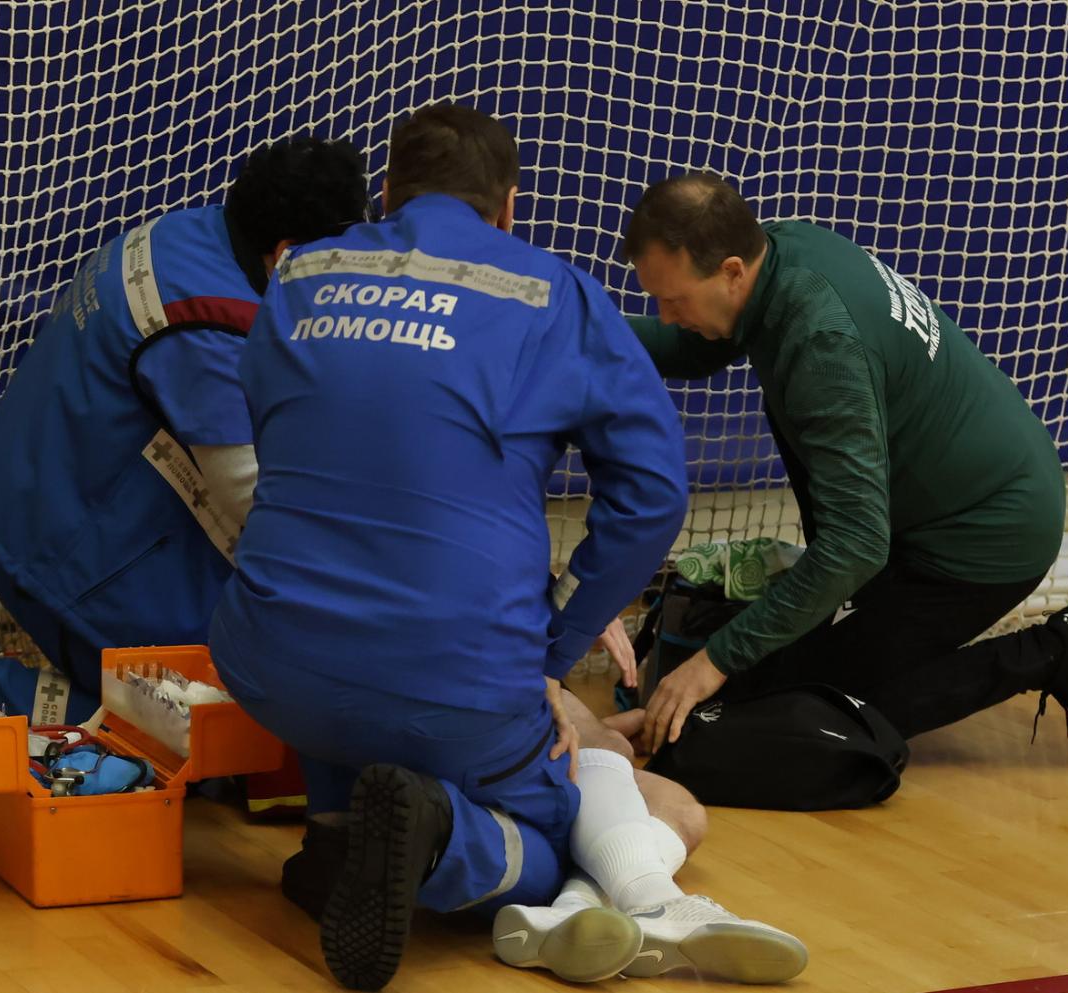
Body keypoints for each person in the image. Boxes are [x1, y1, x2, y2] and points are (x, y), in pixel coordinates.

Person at [210, 105, 806, 990]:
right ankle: (445, 840)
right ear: (508, 207)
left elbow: (281, 438)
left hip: (268, 663)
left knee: (354, 651)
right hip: (452, 679)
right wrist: (553, 652)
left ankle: (336, 836)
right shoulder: (554, 294)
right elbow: (652, 496)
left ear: (387, 191)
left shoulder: (299, 274)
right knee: (570, 832)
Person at [619, 173, 1068, 769]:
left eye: (674, 300)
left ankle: (1058, 650)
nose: (665, 315)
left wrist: (714, 661)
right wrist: (576, 327)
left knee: (806, 713)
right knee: (759, 690)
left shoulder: (821, 340)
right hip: (937, 511)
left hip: (986, 536)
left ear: (731, 270)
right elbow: (692, 347)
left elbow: (855, 544)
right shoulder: (778, 253)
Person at [0, 136, 369, 718]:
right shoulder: (203, 327)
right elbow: (257, 504)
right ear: (287, 253)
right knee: (219, 710)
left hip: (33, 495)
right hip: (53, 556)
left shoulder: (190, 234)